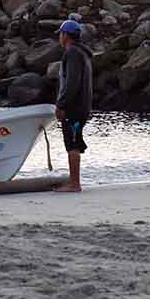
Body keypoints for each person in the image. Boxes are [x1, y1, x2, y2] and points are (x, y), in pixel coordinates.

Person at [55, 20, 93, 193]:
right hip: (82, 107)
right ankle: (74, 181)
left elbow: (72, 83)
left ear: (66, 35)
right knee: (75, 142)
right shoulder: (83, 53)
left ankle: (74, 184)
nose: (59, 37)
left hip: (73, 108)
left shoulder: (72, 54)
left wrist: (61, 105)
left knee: (72, 144)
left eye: (60, 34)